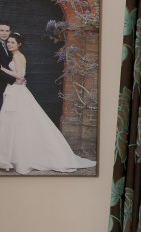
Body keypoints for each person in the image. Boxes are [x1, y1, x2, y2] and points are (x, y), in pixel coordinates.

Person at [0, 32, 96, 174]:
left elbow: (20, 75)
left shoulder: (18, 56)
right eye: (8, 42)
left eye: (12, 42)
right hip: (14, 90)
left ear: (19, 44)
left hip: (17, 91)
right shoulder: (13, 55)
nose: (9, 44)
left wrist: (3, 69)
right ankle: (10, 156)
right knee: (13, 122)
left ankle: (19, 157)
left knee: (19, 122)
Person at [0, 20, 27, 110]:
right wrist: (14, 80)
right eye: (2, 30)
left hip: (10, 87)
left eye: (7, 31)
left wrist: (21, 78)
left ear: (10, 32)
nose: (4, 33)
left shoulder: (9, 46)